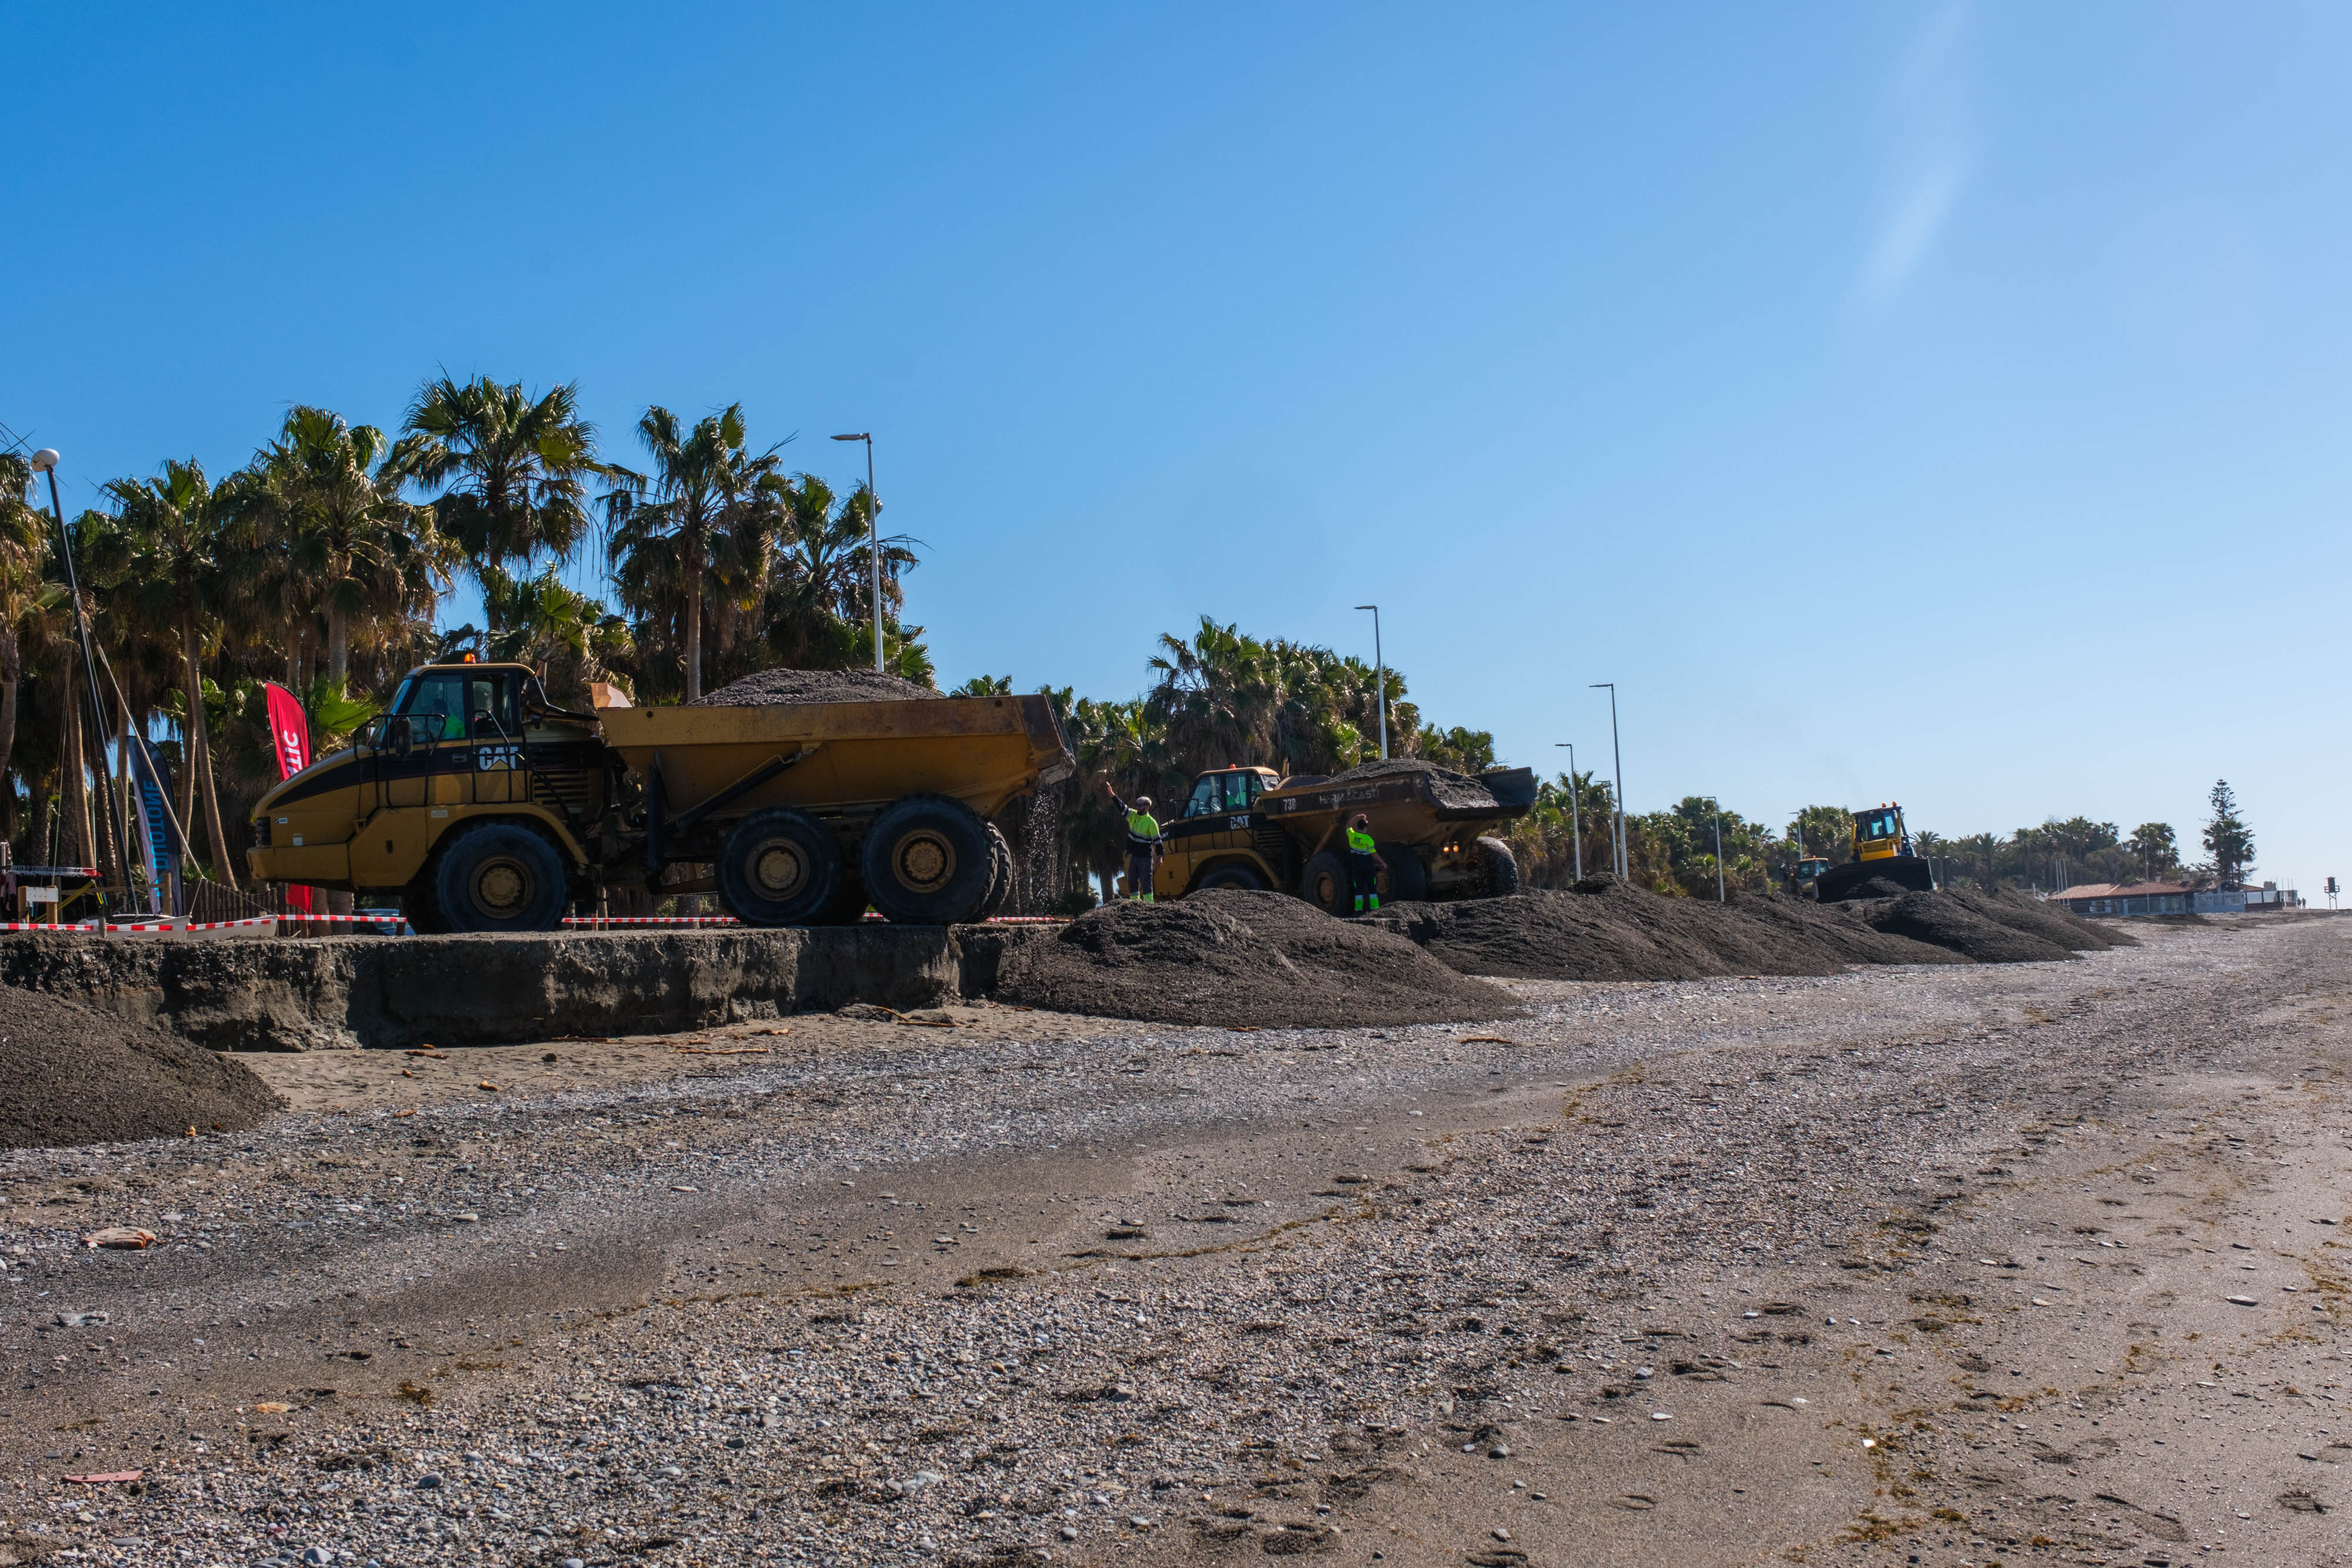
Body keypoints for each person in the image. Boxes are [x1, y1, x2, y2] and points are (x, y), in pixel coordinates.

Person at [1107, 781, 1162, 901]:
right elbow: (1122, 807)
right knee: (1132, 880)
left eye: (1140, 805)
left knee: (1146, 882)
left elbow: (1158, 841)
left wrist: (1160, 856)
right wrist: (1113, 795)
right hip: (1134, 856)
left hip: (1146, 858)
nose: (1137, 807)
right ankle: (1135, 905)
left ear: (1147, 807)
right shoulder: (1133, 815)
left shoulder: (1151, 823)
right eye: (1137, 804)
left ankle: (1149, 905)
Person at [1345, 813, 1387, 914]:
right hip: (1368, 868)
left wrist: (1356, 818)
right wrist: (1383, 863)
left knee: (1358, 889)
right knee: (1372, 888)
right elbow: (1374, 854)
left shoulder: (1352, 835)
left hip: (1356, 867)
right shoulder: (1368, 840)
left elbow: (1348, 826)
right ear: (1366, 828)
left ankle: (1358, 910)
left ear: (1358, 827)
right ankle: (1374, 909)